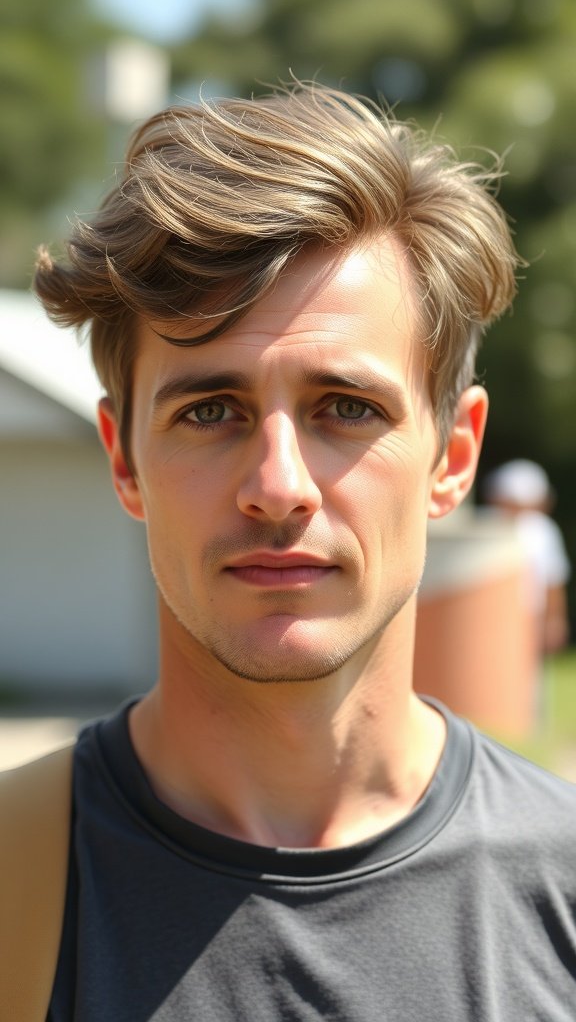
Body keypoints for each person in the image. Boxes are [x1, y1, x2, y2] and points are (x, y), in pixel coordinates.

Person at [18, 82, 576, 1018]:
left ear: (454, 456)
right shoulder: (17, 885)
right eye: (210, 411)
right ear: (124, 459)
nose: (279, 485)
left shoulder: (560, 891)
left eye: (346, 408)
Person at [483, 459, 571, 655]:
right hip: (494, 615)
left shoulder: (543, 529)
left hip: (531, 615)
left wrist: (554, 619)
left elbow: (553, 579)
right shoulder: (486, 524)